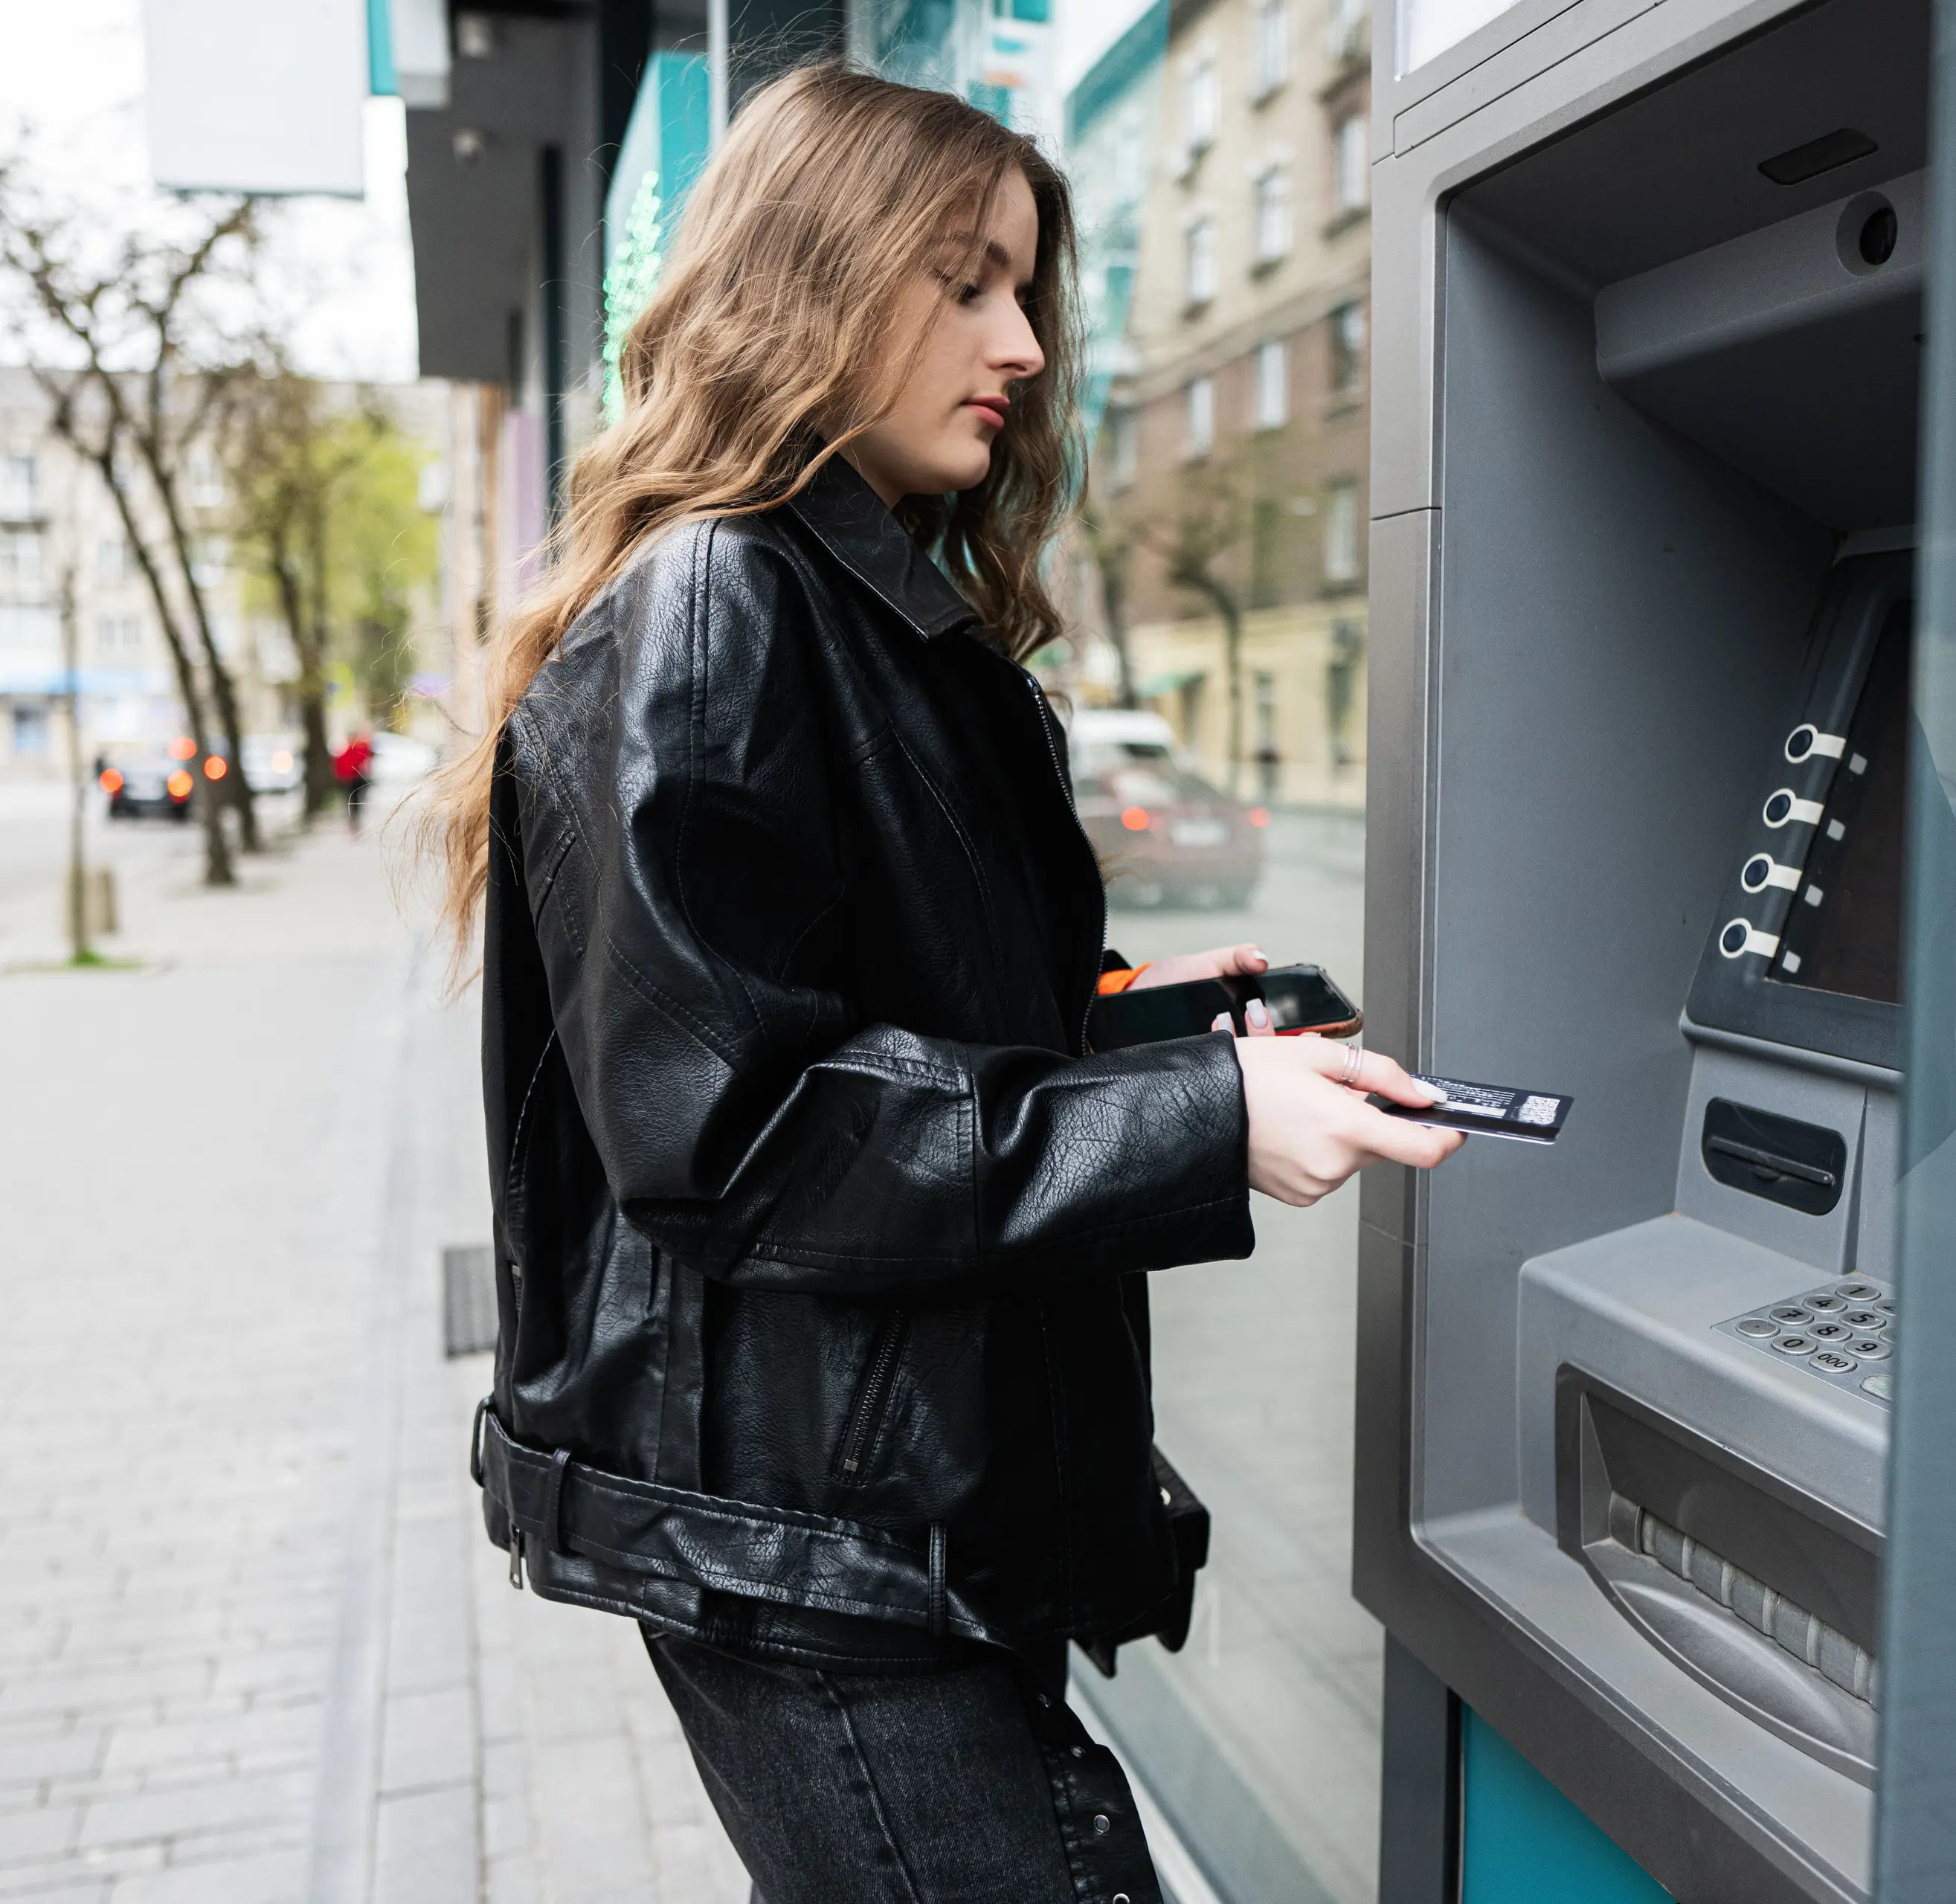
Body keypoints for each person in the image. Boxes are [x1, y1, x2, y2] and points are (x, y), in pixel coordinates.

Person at [417, 67, 1463, 1903]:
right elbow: (740, 1132)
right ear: (813, 279)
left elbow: (863, 1029)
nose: (1022, 345)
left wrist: (1152, 1036)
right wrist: (1201, 1120)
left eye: (1025, 291)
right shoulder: (722, 601)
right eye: (963, 280)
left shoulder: (856, 605)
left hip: (875, 1522)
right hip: (820, 1553)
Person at [332, 729, 373, 836]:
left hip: (357, 780)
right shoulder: (347, 752)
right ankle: (353, 822)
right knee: (353, 801)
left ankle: (354, 822)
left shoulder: (359, 750)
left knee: (355, 801)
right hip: (350, 780)